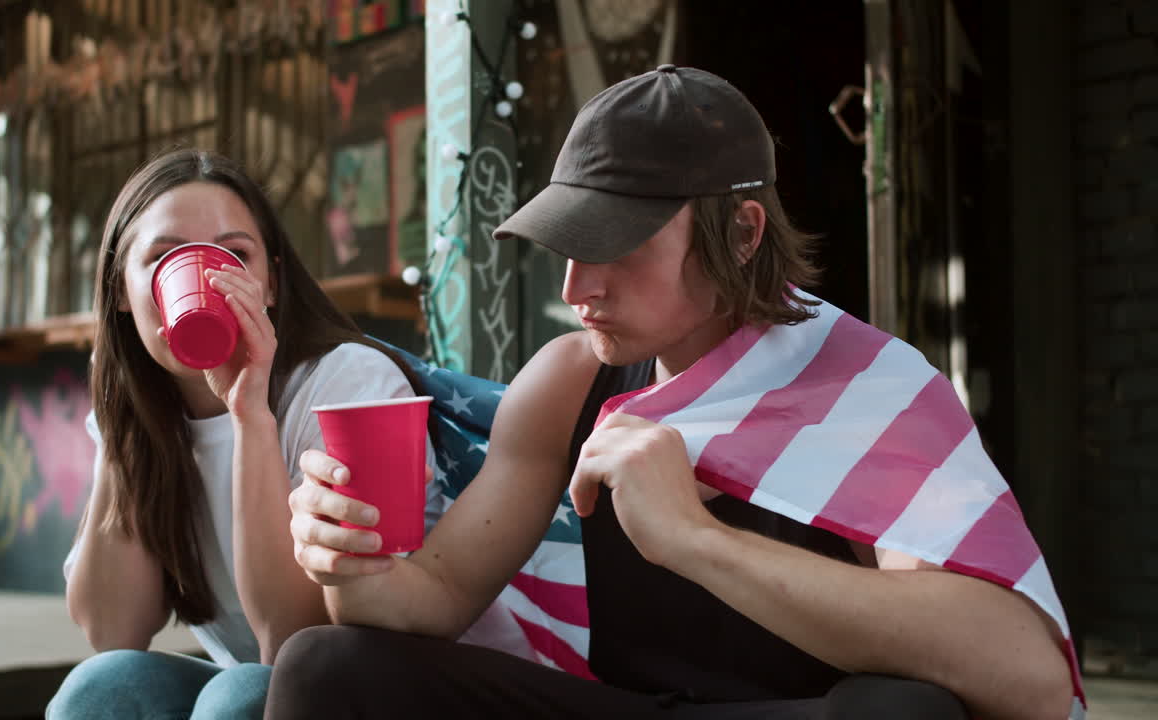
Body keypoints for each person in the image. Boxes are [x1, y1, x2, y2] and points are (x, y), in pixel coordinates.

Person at [267, 66, 1080, 719]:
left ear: (742, 232)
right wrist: (350, 557)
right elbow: (435, 598)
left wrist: (694, 539)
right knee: (329, 666)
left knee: (902, 710)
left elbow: (1030, 679)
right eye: (567, 245)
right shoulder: (572, 378)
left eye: (615, 246)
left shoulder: (868, 389)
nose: (577, 287)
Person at [46, 149, 443, 720]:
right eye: (164, 257)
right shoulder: (143, 411)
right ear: (119, 294)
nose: (208, 279)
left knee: (241, 695)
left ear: (271, 284)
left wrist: (249, 414)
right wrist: (121, 415)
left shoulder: (346, 382)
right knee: (103, 687)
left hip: (370, 684)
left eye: (235, 256)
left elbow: (293, 641)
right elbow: (113, 631)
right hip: (252, 684)